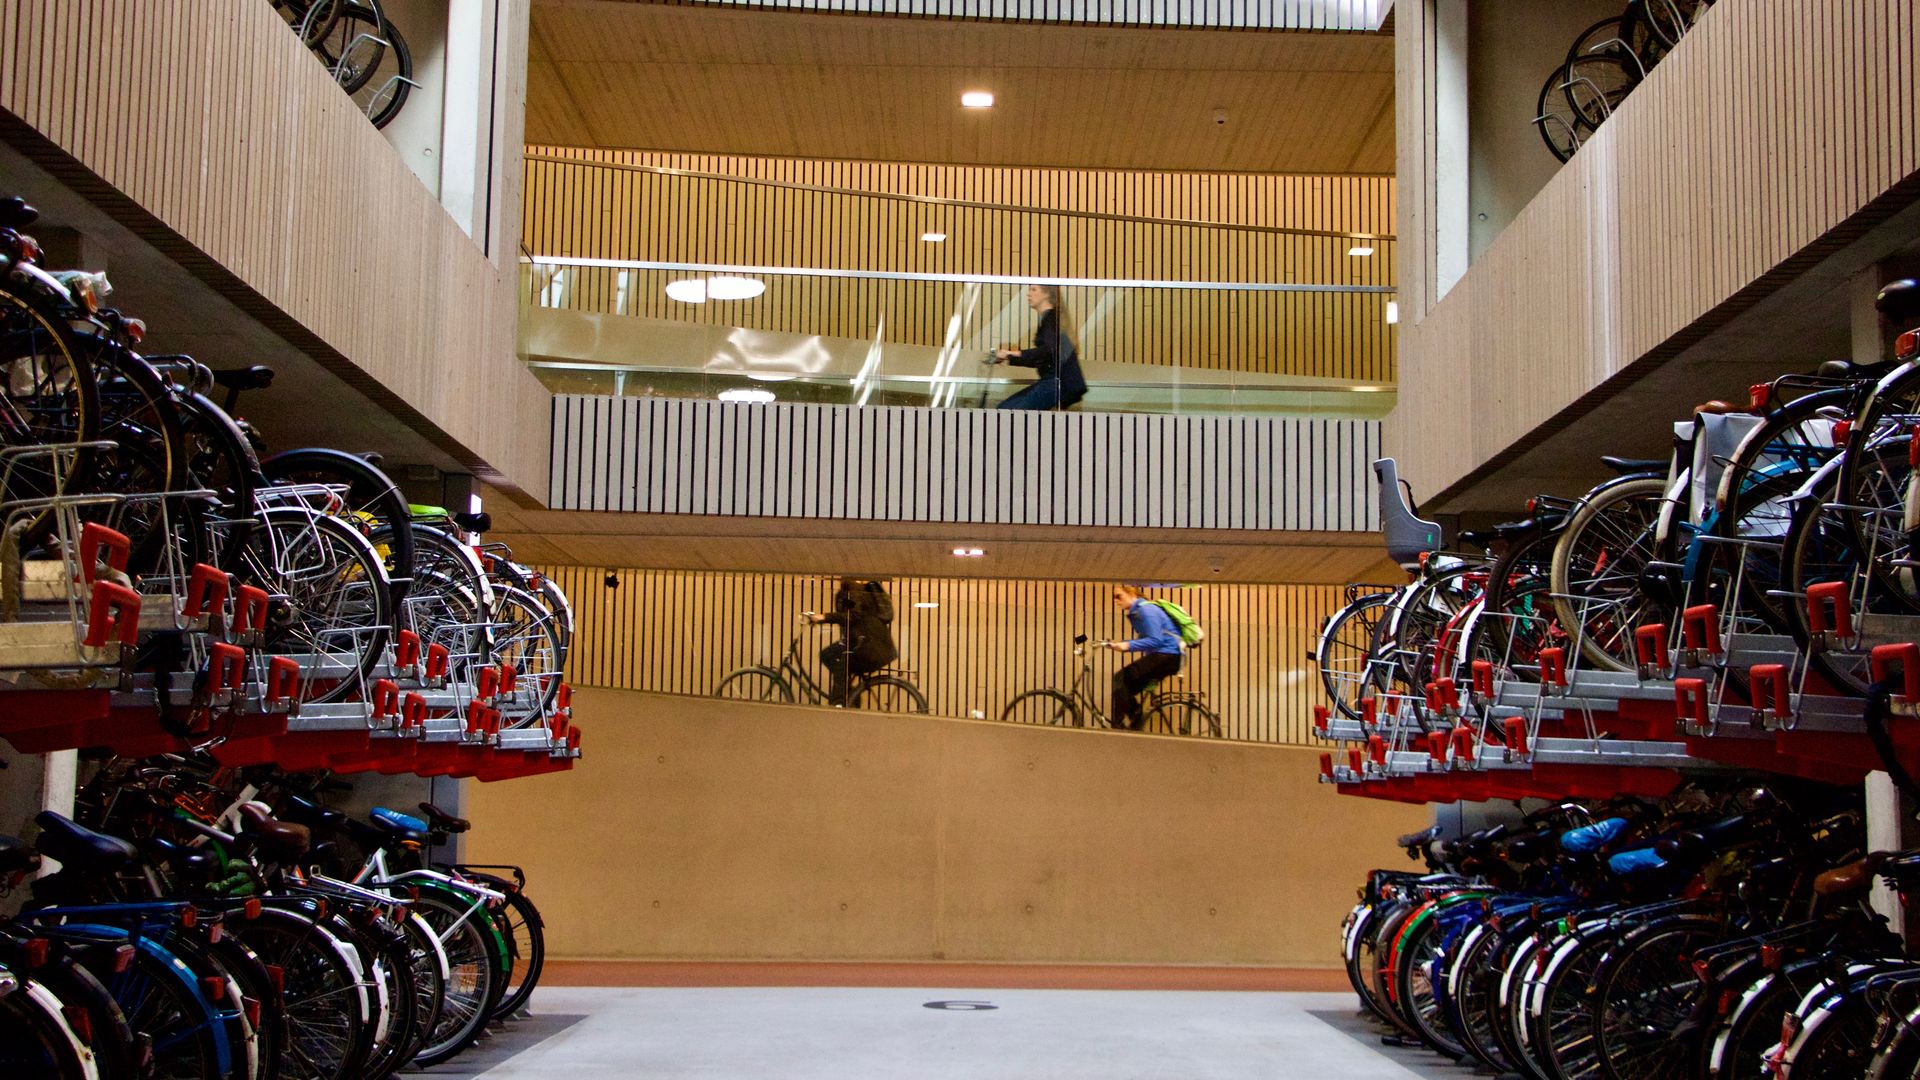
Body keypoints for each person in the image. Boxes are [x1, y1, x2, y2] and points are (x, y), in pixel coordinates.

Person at [992, 284, 1088, 411]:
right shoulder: (1052, 319)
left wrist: (1011, 354)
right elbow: (1046, 354)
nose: (1029, 294)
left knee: (1007, 411)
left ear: (1046, 294)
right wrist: (1011, 356)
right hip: (1057, 383)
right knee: (1006, 409)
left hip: (1055, 383)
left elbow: (1047, 352)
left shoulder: (1050, 320)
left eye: (1033, 289)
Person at [804, 578, 898, 707]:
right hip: (864, 643)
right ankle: (850, 694)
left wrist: (824, 617)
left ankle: (838, 703)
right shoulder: (849, 591)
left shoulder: (854, 591)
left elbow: (853, 616)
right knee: (827, 654)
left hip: (870, 647)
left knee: (843, 662)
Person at [1103, 584, 1184, 731]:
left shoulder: (1146, 610)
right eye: (1114, 597)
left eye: (1118, 596)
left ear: (1132, 593)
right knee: (1123, 690)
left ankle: (1124, 724)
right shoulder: (1137, 612)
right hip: (1165, 656)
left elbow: (1156, 640)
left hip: (1167, 656)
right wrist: (1120, 644)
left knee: (1119, 680)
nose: (1116, 600)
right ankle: (1131, 727)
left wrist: (1127, 645)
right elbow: (1147, 639)